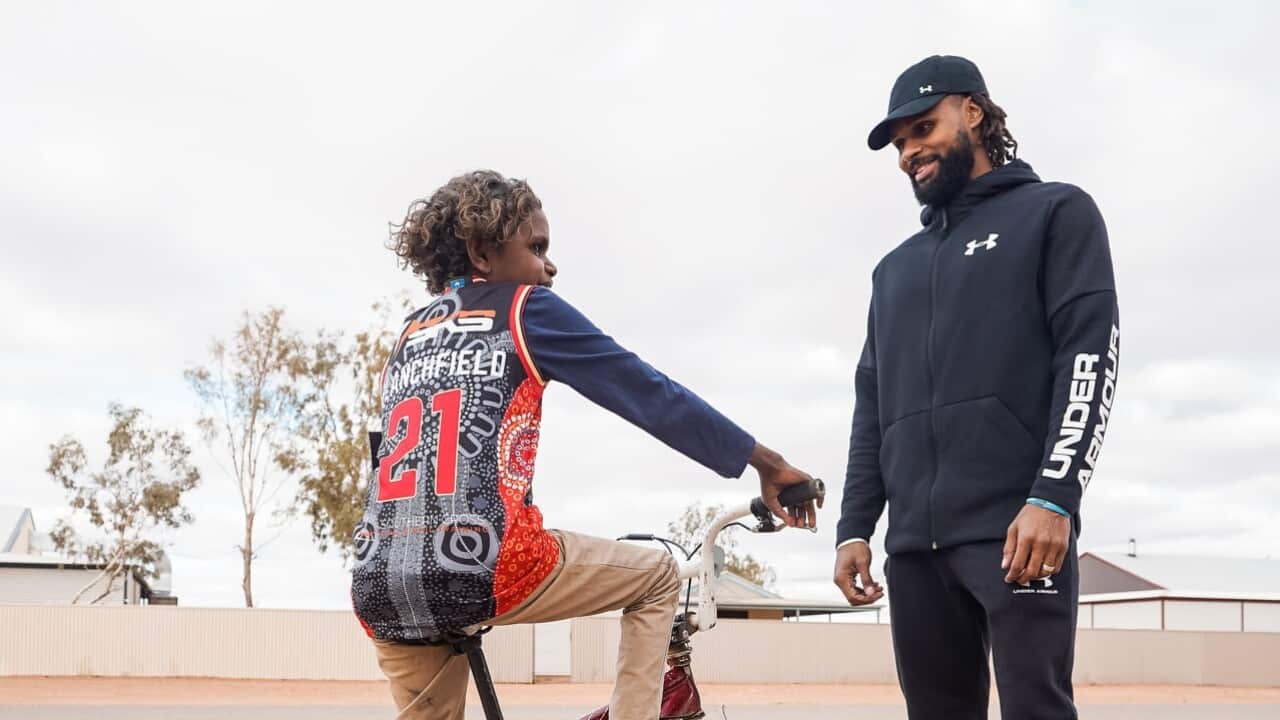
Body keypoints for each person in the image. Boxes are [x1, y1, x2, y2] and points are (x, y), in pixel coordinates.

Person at [352, 169, 818, 720]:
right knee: (657, 577)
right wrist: (766, 462)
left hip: (379, 576)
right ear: (481, 252)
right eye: (537, 248)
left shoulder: (409, 334)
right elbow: (648, 392)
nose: (549, 266)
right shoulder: (525, 309)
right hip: (485, 563)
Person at [833, 55, 1119, 719]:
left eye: (923, 128)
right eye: (899, 143)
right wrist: (854, 528)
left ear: (973, 113)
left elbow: (1088, 362)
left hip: (1018, 532)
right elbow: (872, 408)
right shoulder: (893, 271)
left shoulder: (1056, 213)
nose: (909, 152)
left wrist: (1054, 497)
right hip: (913, 549)